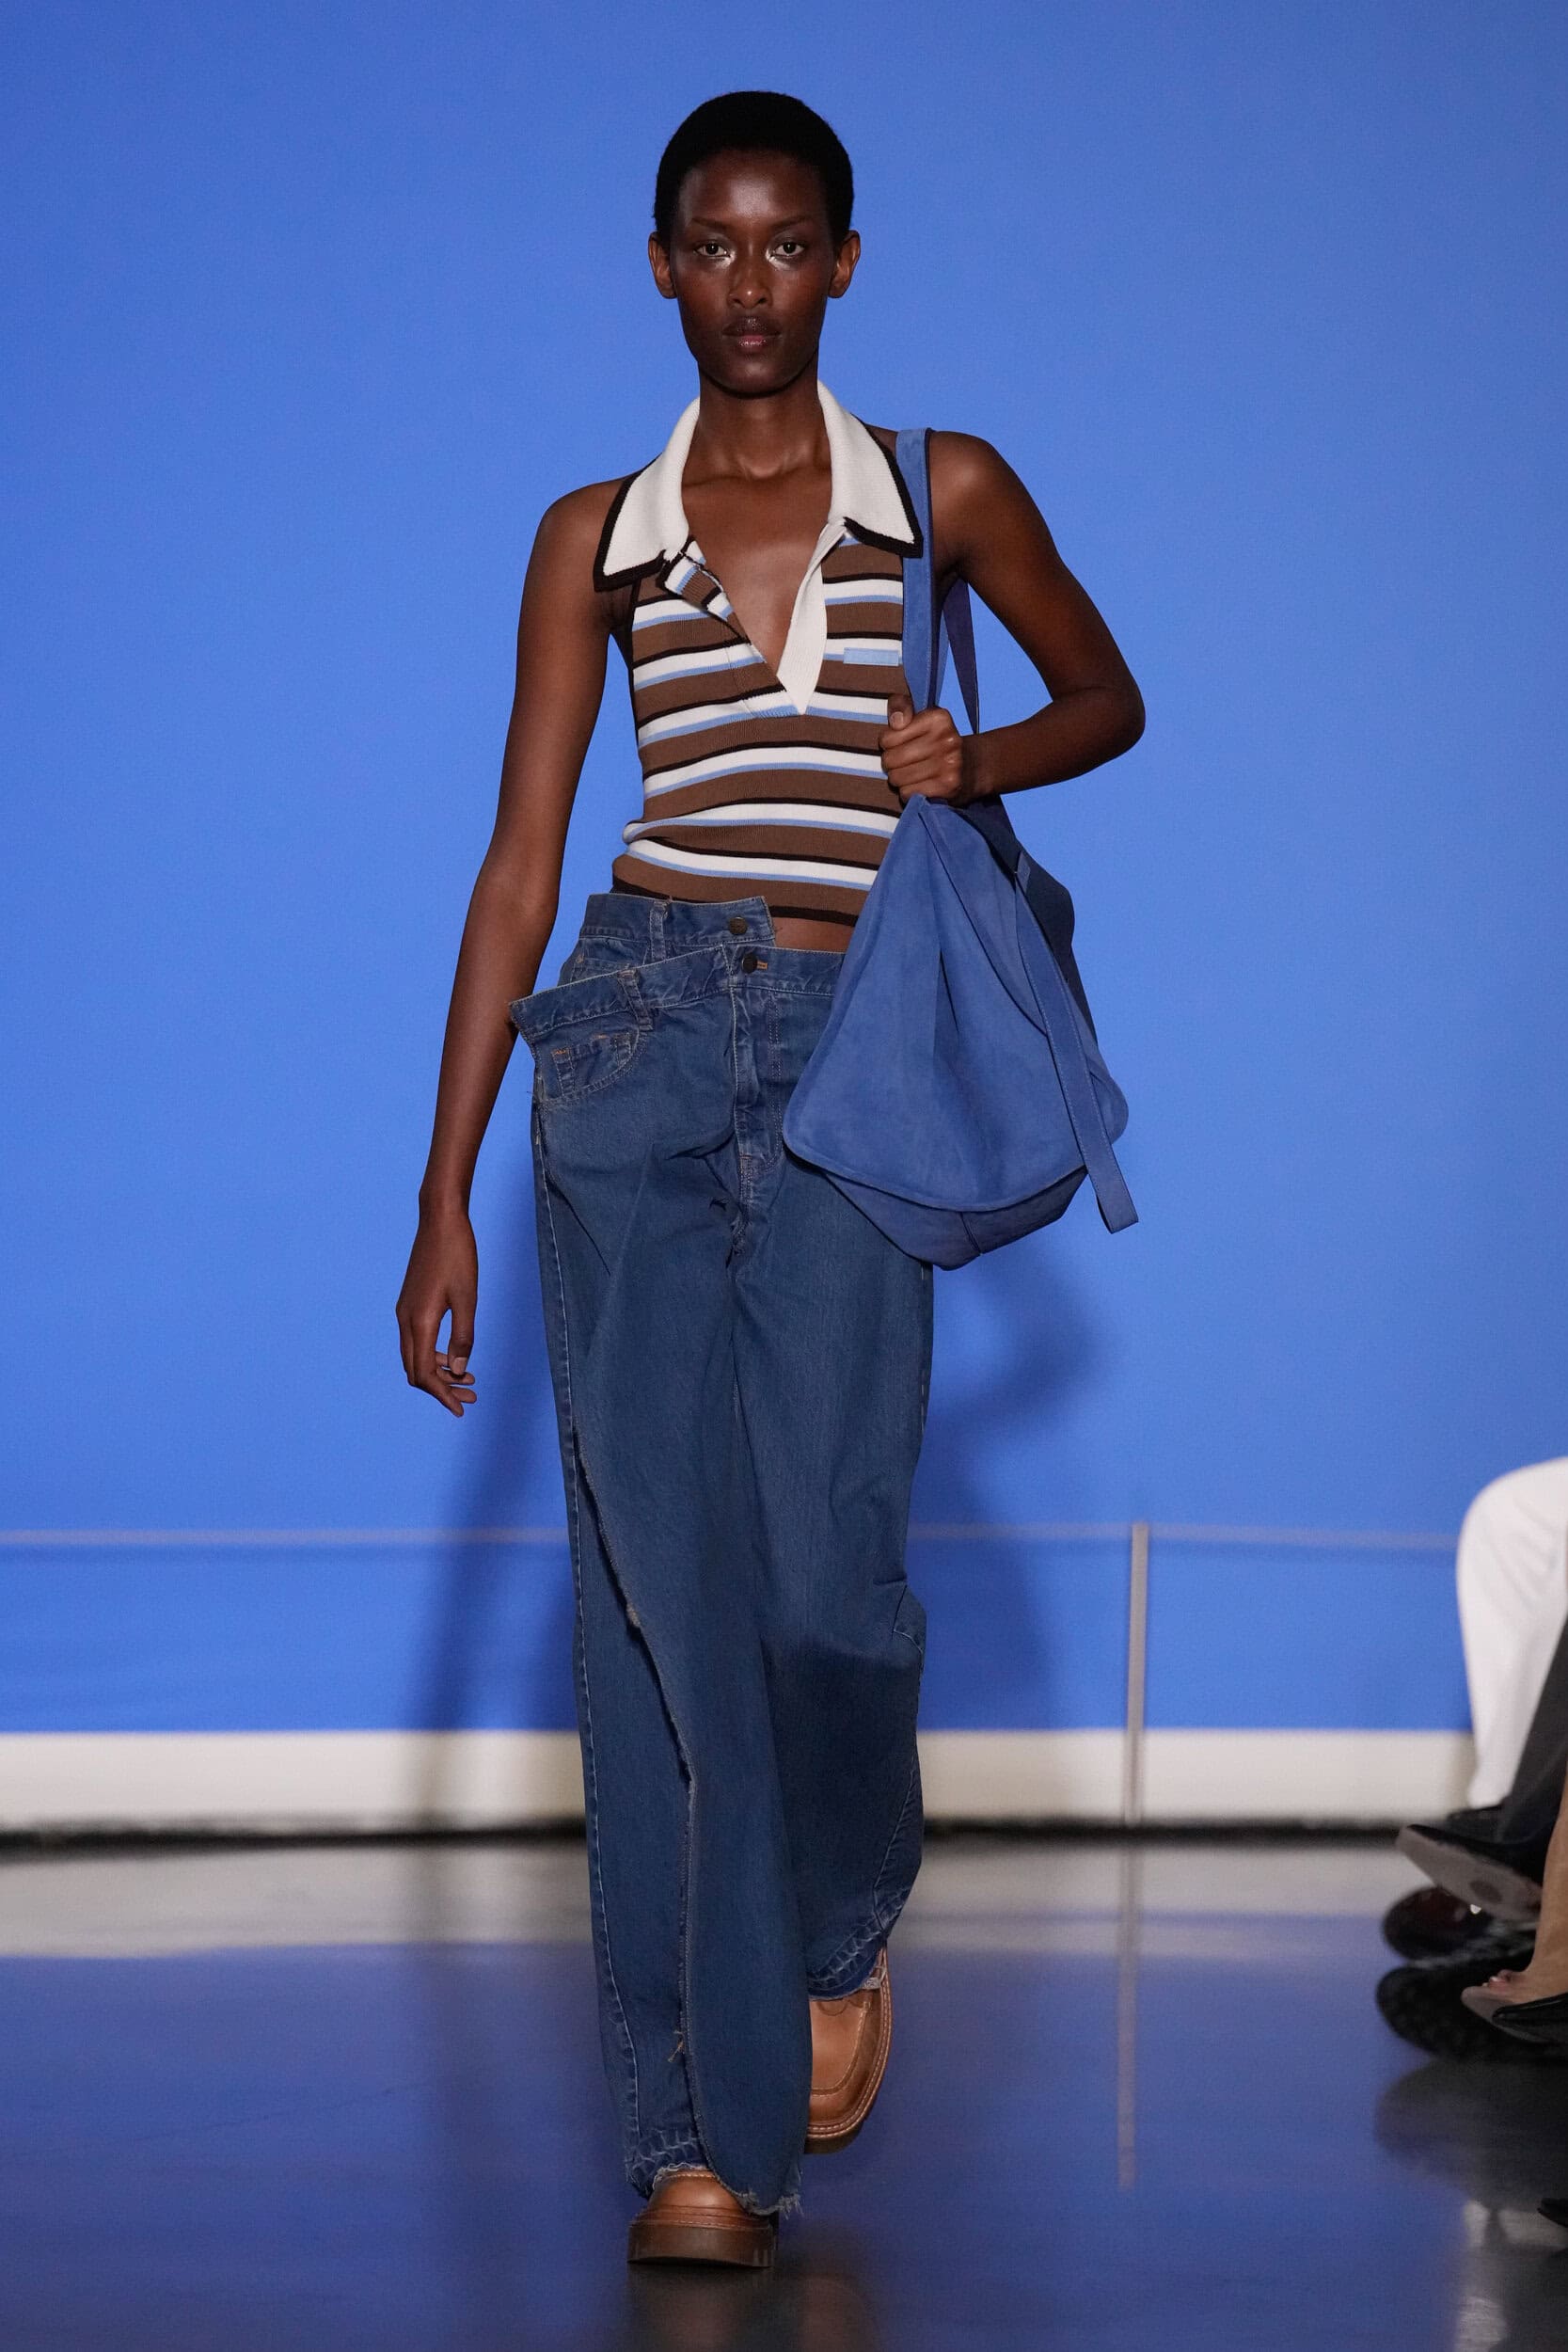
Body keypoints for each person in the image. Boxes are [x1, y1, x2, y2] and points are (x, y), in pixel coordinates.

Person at [395, 88, 1144, 2265]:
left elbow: (1106, 692)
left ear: (842, 262)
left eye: (787, 242)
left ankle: (832, 1919)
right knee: (655, 1619)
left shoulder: (939, 487)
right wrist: (441, 1186)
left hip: (847, 1056)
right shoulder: (594, 534)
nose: (749, 282)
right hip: (628, 1043)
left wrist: (971, 756)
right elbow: (520, 860)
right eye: (711, 245)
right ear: (659, 267)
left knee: (824, 1584)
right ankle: (695, 2147)